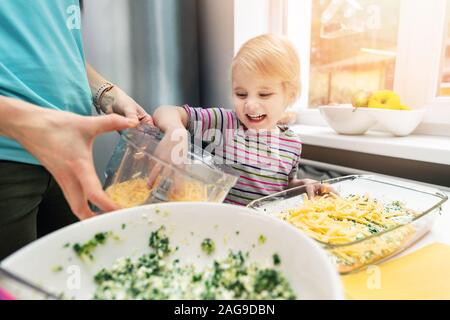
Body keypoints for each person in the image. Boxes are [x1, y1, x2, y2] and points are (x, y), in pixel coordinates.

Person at [0, 0, 152, 259]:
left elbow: (56, 42)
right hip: (8, 157)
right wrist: (32, 123)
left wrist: (106, 93)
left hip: (71, 152)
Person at [152, 34, 329, 206]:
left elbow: (282, 188)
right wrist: (176, 130)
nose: (250, 105)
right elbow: (166, 111)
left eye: (264, 94)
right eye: (241, 94)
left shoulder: (292, 144)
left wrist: (303, 186)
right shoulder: (222, 122)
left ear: (289, 95)